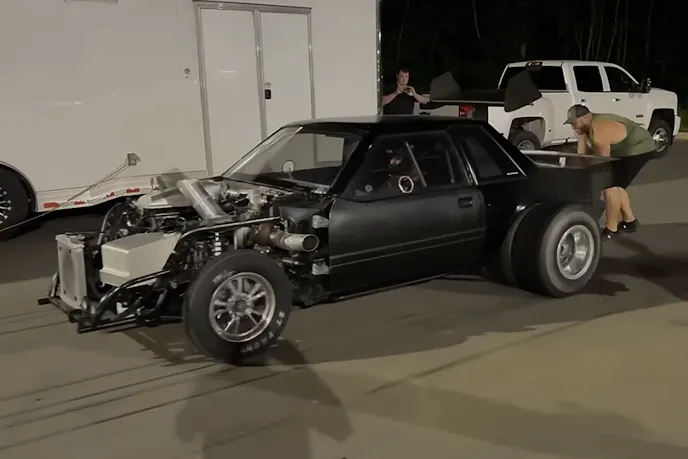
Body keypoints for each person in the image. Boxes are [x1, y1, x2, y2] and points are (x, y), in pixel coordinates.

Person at [564, 104, 657, 239]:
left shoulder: (600, 128)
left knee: (610, 185)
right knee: (617, 184)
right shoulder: (585, 128)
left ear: (586, 117)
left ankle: (611, 229)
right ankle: (630, 221)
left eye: (574, 123)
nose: (573, 127)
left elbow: (603, 162)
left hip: (639, 148)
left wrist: (590, 175)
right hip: (623, 150)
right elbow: (582, 155)